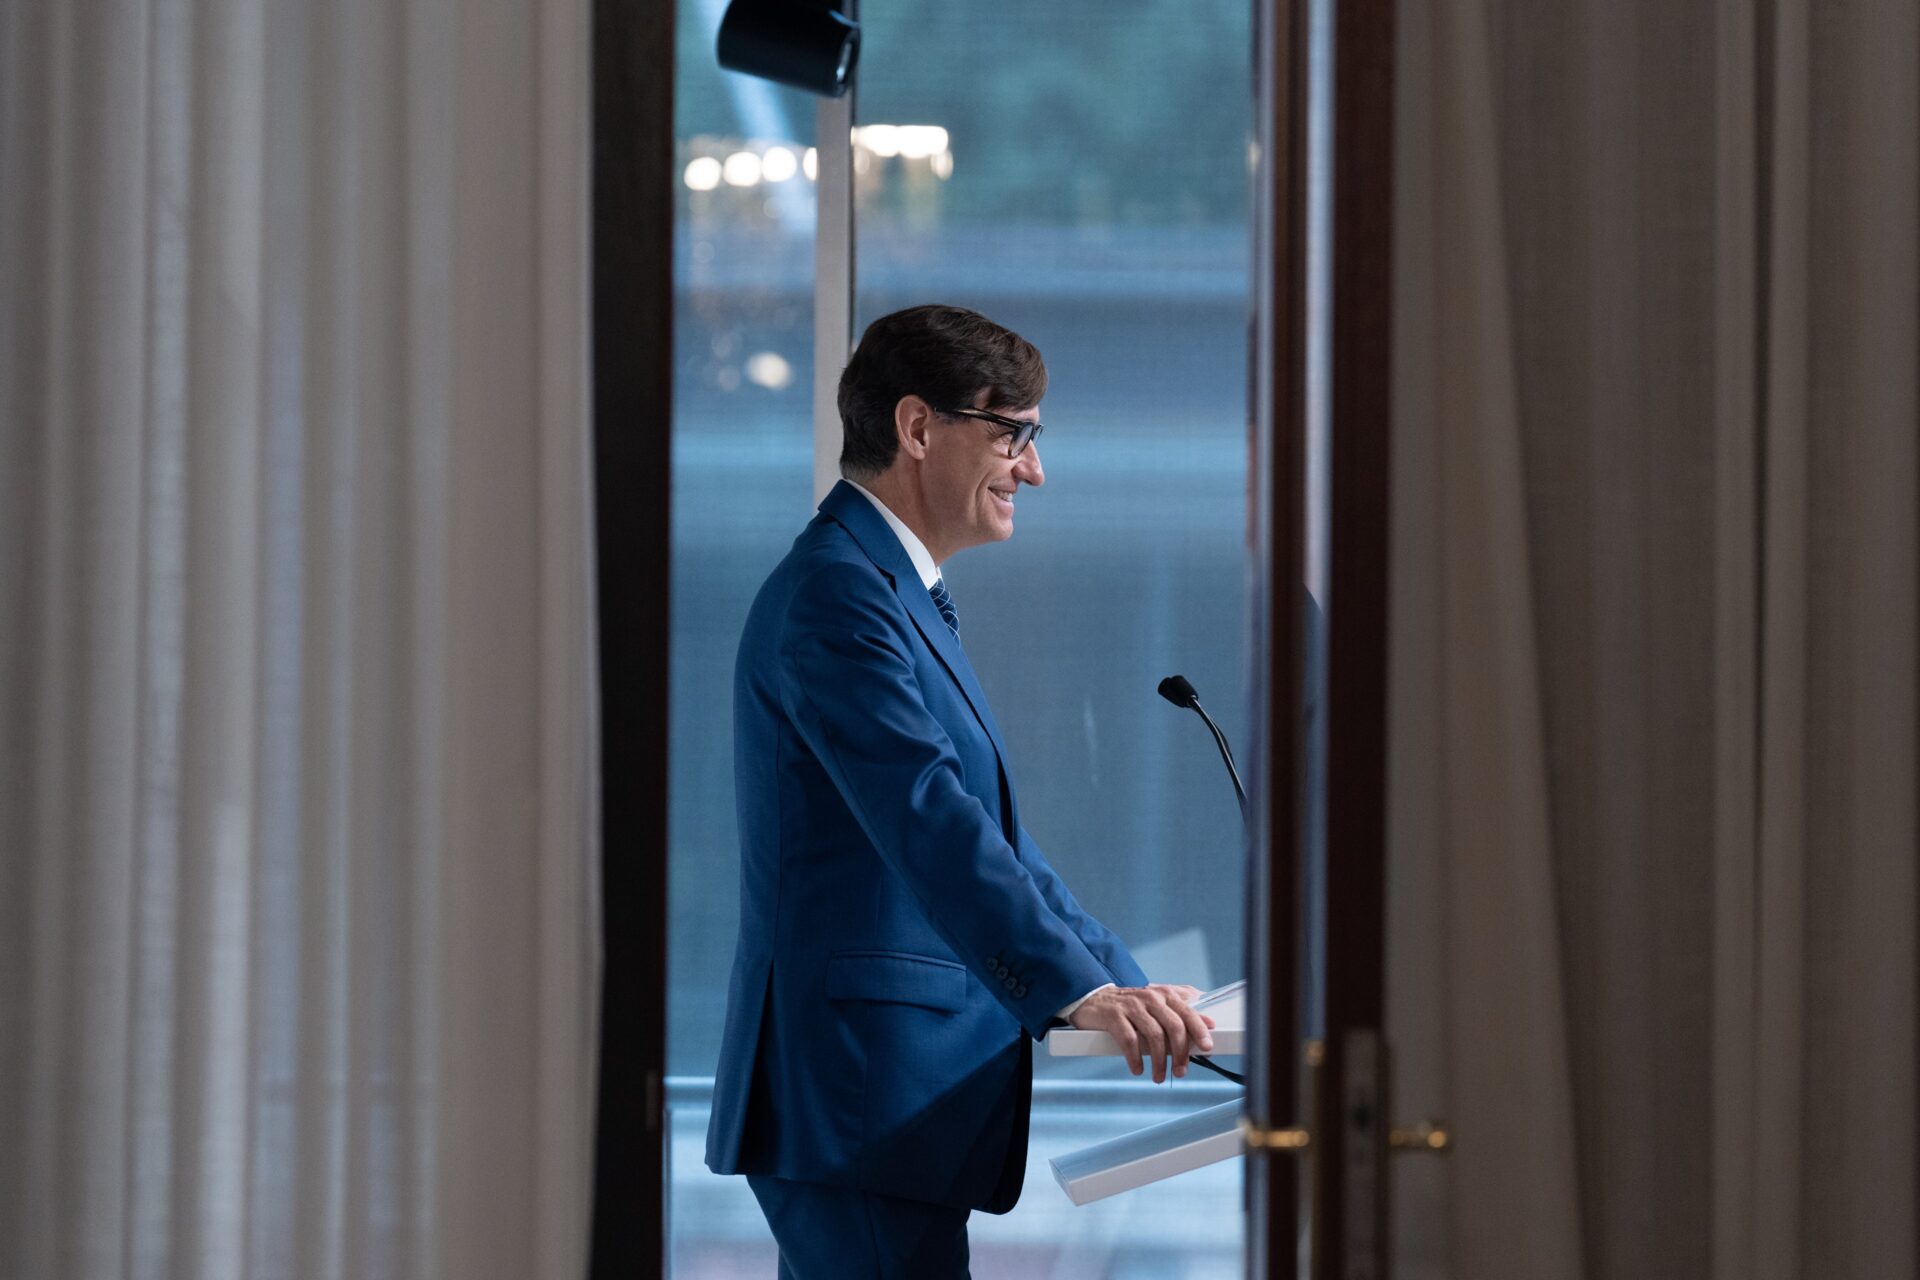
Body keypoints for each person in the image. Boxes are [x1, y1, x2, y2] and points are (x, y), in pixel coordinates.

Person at [705, 304, 1214, 1278]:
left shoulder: (889, 590)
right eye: (1013, 434)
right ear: (917, 427)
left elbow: (993, 839)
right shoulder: (838, 593)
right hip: (859, 1097)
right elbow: (930, 823)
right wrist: (1078, 994)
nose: (1034, 470)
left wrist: (1115, 980)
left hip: (885, 1105)